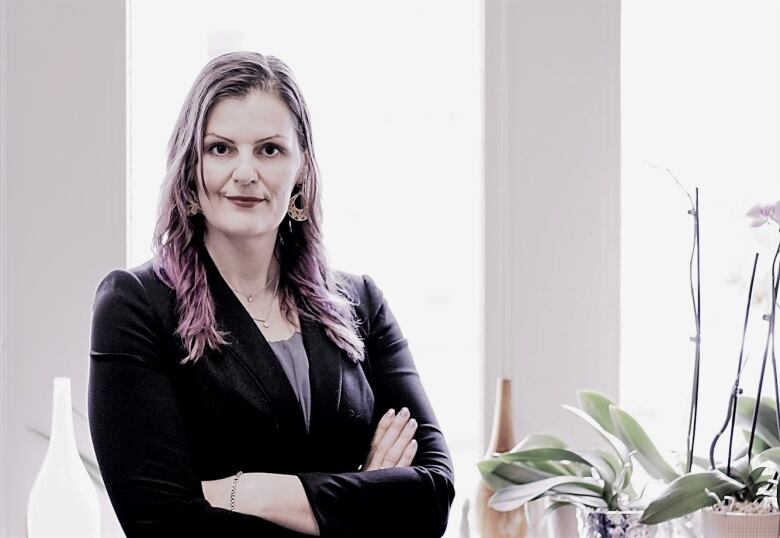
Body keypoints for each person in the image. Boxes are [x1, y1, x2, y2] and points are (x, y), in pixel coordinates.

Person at [87, 51, 455, 537]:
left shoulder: (361, 303)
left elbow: (432, 494)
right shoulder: (135, 305)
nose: (244, 172)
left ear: (301, 169)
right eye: (220, 148)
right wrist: (363, 497)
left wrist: (245, 491)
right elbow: (164, 525)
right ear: (189, 167)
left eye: (269, 150)